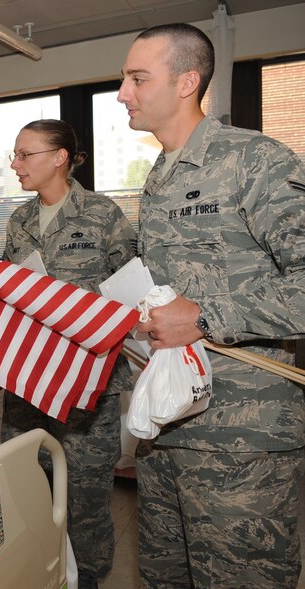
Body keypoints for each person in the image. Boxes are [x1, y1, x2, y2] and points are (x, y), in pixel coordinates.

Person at [119, 23, 305, 588]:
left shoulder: (254, 161)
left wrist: (202, 317)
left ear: (186, 82)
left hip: (240, 440)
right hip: (167, 423)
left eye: (137, 78)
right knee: (164, 575)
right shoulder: (160, 177)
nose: (123, 92)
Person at [0, 119, 137, 589]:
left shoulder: (102, 214)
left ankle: (89, 579)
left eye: (24, 155)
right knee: (25, 483)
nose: (15, 164)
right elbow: (8, 294)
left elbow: (132, 293)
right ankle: (35, 572)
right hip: (27, 378)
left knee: (85, 494)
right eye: (14, 155)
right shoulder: (18, 221)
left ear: (59, 157)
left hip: (87, 382)